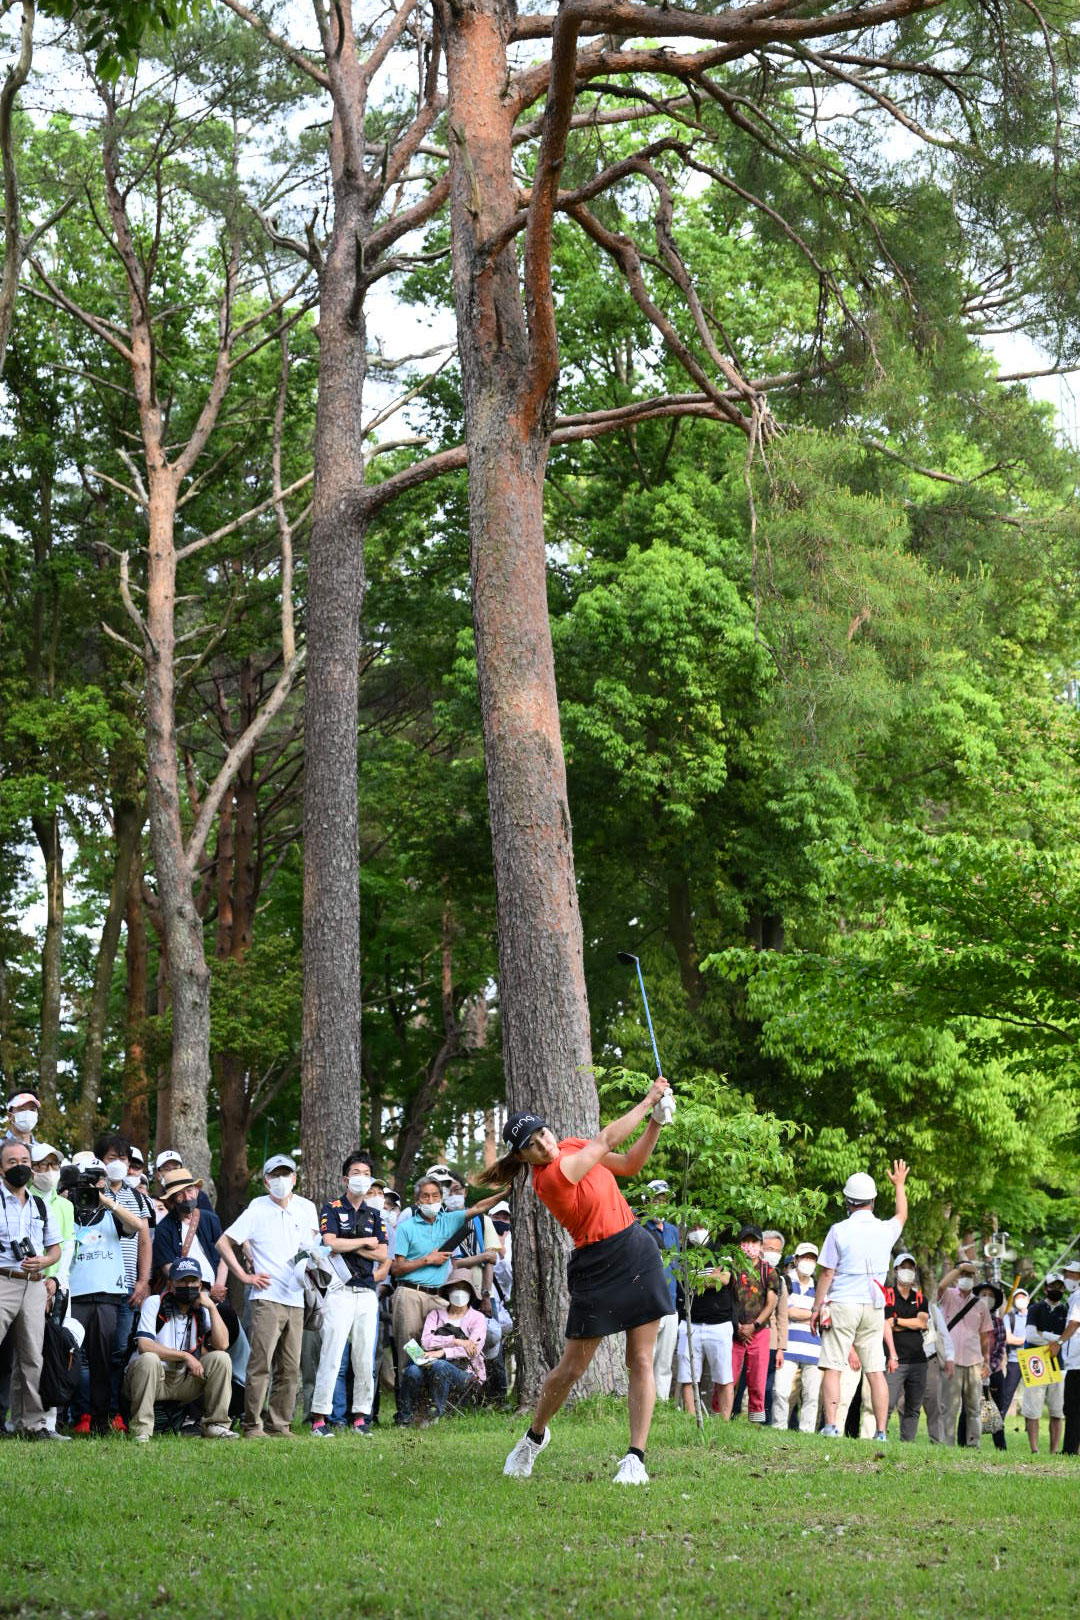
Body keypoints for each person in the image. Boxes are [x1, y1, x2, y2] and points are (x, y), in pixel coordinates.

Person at [487, 1080, 675, 1484]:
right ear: (521, 1157)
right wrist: (648, 1101)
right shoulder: (548, 1179)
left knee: (640, 1360)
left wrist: (655, 1124)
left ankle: (635, 1458)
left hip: (636, 1249)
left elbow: (628, 1166)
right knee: (571, 1367)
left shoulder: (570, 1145)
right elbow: (607, 1139)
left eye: (543, 1132)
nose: (543, 1143)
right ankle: (534, 1437)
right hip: (596, 1265)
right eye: (532, 1144)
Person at [217, 1153, 319, 1438]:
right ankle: (252, 1424)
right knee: (260, 1364)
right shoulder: (257, 1208)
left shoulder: (306, 1208)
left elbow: (309, 1247)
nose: (281, 1180)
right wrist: (245, 1276)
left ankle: (280, 1424)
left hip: (297, 1298)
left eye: (286, 1174)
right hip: (266, 1298)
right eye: (275, 1175)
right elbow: (224, 1242)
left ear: (295, 1178)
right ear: (265, 1181)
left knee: (289, 1367)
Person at [810, 1161, 909, 1441]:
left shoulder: (839, 1230)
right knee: (876, 1371)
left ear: (848, 1201)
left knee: (833, 1366)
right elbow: (902, 1214)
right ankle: (880, 1432)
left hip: (843, 1302)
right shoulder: (885, 1230)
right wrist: (899, 1184)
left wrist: (818, 1307)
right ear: (873, 1200)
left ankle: (830, 1426)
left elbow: (827, 1272)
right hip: (874, 1305)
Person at [390, 1177, 507, 1380]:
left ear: (441, 1199)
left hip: (438, 1296)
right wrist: (427, 1260)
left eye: (435, 1196)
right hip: (410, 1293)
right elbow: (396, 1268)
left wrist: (505, 1193)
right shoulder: (406, 1227)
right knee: (410, 1348)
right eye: (425, 1196)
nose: (431, 1200)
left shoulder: (449, 1220)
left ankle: (432, 1401)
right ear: (418, 1200)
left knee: (438, 1344)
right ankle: (406, 1406)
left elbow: (479, 1207)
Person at [67, 1156, 148, 1434]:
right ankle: (78, 1416)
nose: (90, 1187)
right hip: (75, 1294)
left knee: (102, 1361)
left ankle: (102, 1419)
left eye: (95, 1180)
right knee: (73, 1358)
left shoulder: (112, 1213)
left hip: (107, 1294)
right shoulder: (69, 1211)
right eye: (85, 1182)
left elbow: (137, 1226)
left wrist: (106, 1200)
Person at [311, 1152, 387, 1437]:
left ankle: (360, 1417)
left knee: (364, 1358)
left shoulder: (376, 1214)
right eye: (355, 1173)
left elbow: (381, 1253)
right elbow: (329, 1243)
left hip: (367, 1291)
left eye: (366, 1173)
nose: (361, 1178)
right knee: (331, 1354)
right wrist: (364, 1241)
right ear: (345, 1178)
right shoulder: (331, 1208)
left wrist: (351, 1243)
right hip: (338, 1290)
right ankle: (320, 1418)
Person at [123, 1257, 237, 1441]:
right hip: (153, 1378)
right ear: (170, 1284)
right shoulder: (154, 1302)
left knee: (221, 1358)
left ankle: (215, 1424)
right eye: (182, 1281)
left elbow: (222, 1344)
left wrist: (211, 1306)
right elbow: (144, 1345)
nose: (188, 1285)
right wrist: (185, 1356)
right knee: (149, 1359)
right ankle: (141, 1430)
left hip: (183, 1381)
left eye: (193, 1281)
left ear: (200, 1285)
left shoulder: (202, 1309)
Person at [0, 1139, 64, 1439]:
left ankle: (32, 1425)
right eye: (12, 1161)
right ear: (1, 1168)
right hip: (2, 1280)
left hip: (35, 1286)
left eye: (25, 1160)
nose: (20, 1166)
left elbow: (55, 1250)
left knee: (32, 1357)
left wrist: (43, 1262)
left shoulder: (39, 1203)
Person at [396, 1266, 488, 1422]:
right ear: (449, 1291)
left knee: (440, 1366)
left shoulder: (477, 1318)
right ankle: (404, 1418)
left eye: (464, 1288)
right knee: (412, 1370)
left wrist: (442, 1352)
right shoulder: (436, 1315)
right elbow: (426, 1341)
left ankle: (435, 1415)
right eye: (456, 1287)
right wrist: (455, 1341)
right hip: (430, 1364)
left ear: (471, 1293)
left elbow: (473, 1349)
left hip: (465, 1372)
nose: (460, 1292)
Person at [675, 1223, 734, 1419]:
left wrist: (696, 1280)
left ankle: (725, 1421)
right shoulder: (684, 1254)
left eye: (700, 1225)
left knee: (724, 1377)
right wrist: (711, 1277)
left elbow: (724, 1279)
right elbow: (682, 1282)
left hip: (719, 1324)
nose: (696, 1230)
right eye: (692, 1226)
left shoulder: (721, 1251)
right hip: (689, 1323)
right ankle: (691, 1418)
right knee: (687, 1376)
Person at [936, 1259, 992, 1447]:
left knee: (974, 1407)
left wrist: (987, 1361)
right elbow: (941, 1285)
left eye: (969, 1275)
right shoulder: (948, 1295)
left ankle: (973, 1443)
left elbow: (985, 1336)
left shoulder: (981, 1305)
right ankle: (947, 1443)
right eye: (963, 1276)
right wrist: (960, 1269)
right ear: (956, 1278)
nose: (966, 1279)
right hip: (951, 1360)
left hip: (974, 1360)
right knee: (949, 1406)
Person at [152, 1167, 228, 1298]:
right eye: (180, 1194)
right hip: (184, 1294)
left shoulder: (210, 1219)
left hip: (217, 1292)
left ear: (197, 1191)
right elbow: (168, 1268)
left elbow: (224, 1256)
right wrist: (205, 1288)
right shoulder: (163, 1228)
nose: (187, 1197)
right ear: (171, 1199)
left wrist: (219, 1286)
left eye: (189, 1190)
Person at [728, 1226, 778, 1424]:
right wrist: (737, 1326)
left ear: (760, 1245)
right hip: (734, 1331)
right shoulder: (731, 1269)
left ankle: (755, 1422)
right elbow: (727, 1299)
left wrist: (754, 1325)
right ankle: (721, 1416)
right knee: (728, 1377)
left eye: (754, 1242)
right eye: (745, 1242)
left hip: (759, 1332)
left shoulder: (769, 1271)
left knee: (757, 1380)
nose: (750, 1246)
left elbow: (771, 1303)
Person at [771, 1241, 822, 1433]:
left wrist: (811, 1312)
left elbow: (826, 1314)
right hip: (787, 1347)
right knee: (781, 1391)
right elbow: (788, 1312)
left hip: (814, 1348)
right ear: (796, 1259)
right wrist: (813, 1313)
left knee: (811, 1395)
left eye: (812, 1259)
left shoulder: (819, 1287)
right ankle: (778, 1428)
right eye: (805, 1258)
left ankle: (807, 1431)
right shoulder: (785, 1282)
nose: (808, 1262)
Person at [883, 1251, 928, 1442]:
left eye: (911, 1267)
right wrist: (906, 1323)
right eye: (903, 1267)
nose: (907, 1271)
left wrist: (897, 1321)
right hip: (894, 1359)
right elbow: (886, 1325)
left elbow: (922, 1324)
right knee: (888, 1403)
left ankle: (907, 1443)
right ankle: (880, 1436)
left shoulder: (920, 1299)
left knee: (913, 1407)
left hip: (918, 1360)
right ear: (896, 1270)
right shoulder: (888, 1295)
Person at [641, 1180, 680, 1403]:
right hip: (649, 1304)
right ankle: (643, 1401)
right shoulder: (641, 1228)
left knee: (664, 1361)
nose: (661, 1205)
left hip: (672, 1304)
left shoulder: (673, 1231)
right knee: (647, 1357)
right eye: (657, 1200)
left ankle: (662, 1404)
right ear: (647, 1202)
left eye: (664, 1200)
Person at [1022, 1272, 1068, 1454]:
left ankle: (1054, 1449)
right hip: (1036, 1361)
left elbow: (1072, 1336)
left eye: (1059, 1286)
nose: (1056, 1290)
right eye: (1052, 1286)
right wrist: (1058, 1340)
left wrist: (1045, 1336)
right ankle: (1034, 1449)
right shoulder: (1036, 1308)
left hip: (1059, 1364)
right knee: (1033, 1409)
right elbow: (1031, 1335)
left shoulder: (1066, 1311)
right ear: (1045, 1288)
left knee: (1058, 1410)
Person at [1048, 1276, 1080, 1455]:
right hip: (1075, 1361)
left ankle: (1070, 1449)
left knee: (1072, 1407)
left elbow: (1075, 1323)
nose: (1067, 1278)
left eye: (1070, 1274)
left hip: (1077, 1362)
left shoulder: (1078, 1296)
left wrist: (1058, 1343)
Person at [760, 1230, 788, 1424]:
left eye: (777, 1250)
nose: (773, 1253)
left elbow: (782, 1316)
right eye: (770, 1248)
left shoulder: (781, 1280)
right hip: (748, 1335)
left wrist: (780, 1348)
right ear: (761, 1248)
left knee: (768, 1386)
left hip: (771, 1341)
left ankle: (764, 1421)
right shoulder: (749, 1273)